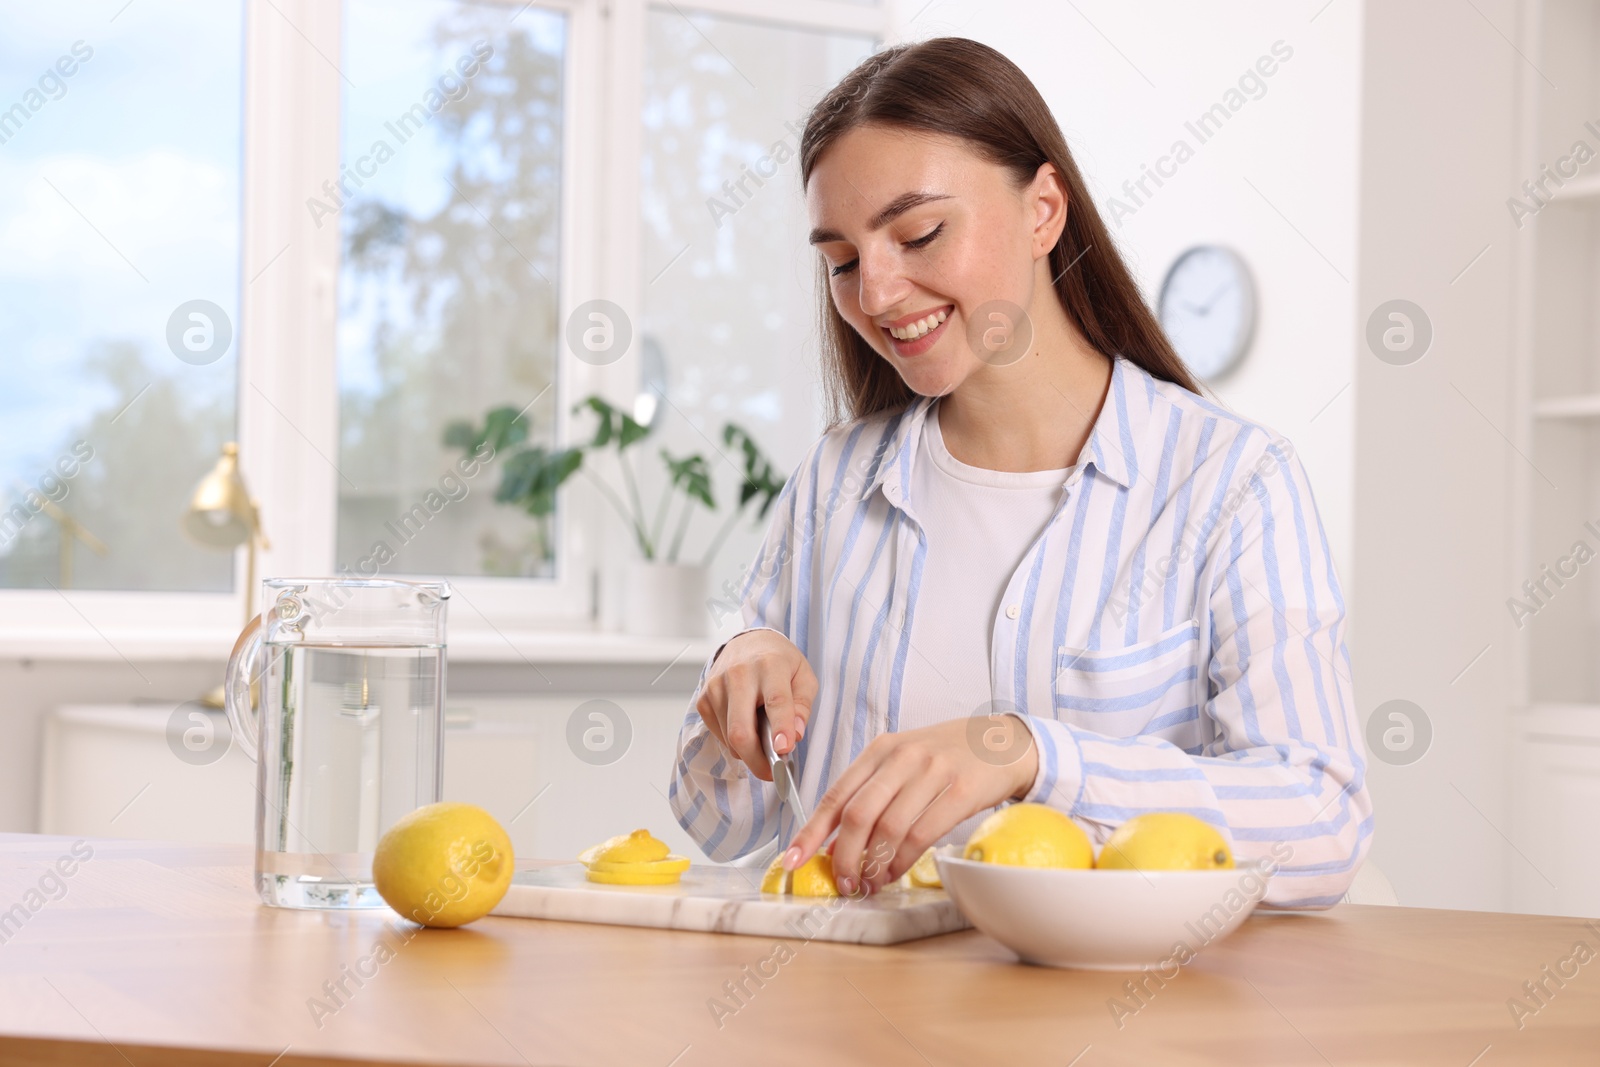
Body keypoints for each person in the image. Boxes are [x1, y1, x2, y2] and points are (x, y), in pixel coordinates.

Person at [668, 36, 1371, 908]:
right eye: (843, 261)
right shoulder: (836, 482)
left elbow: (1322, 823)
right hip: (853, 1027)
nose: (877, 295)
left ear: (1043, 211)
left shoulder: (1231, 483)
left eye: (920, 233)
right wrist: (738, 686)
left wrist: (1032, 754)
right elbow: (726, 829)